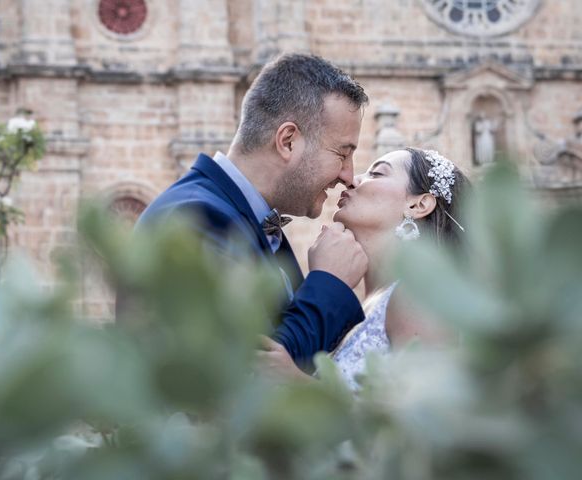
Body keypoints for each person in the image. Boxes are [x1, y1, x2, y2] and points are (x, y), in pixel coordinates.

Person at [131, 53, 371, 365]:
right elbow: (243, 376)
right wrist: (329, 283)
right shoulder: (194, 219)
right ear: (287, 141)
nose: (348, 176)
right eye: (342, 153)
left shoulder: (245, 218)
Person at [258, 147, 470, 389]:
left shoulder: (419, 296)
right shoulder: (371, 302)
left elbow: (425, 416)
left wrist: (297, 383)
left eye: (377, 174)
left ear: (418, 204)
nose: (353, 180)